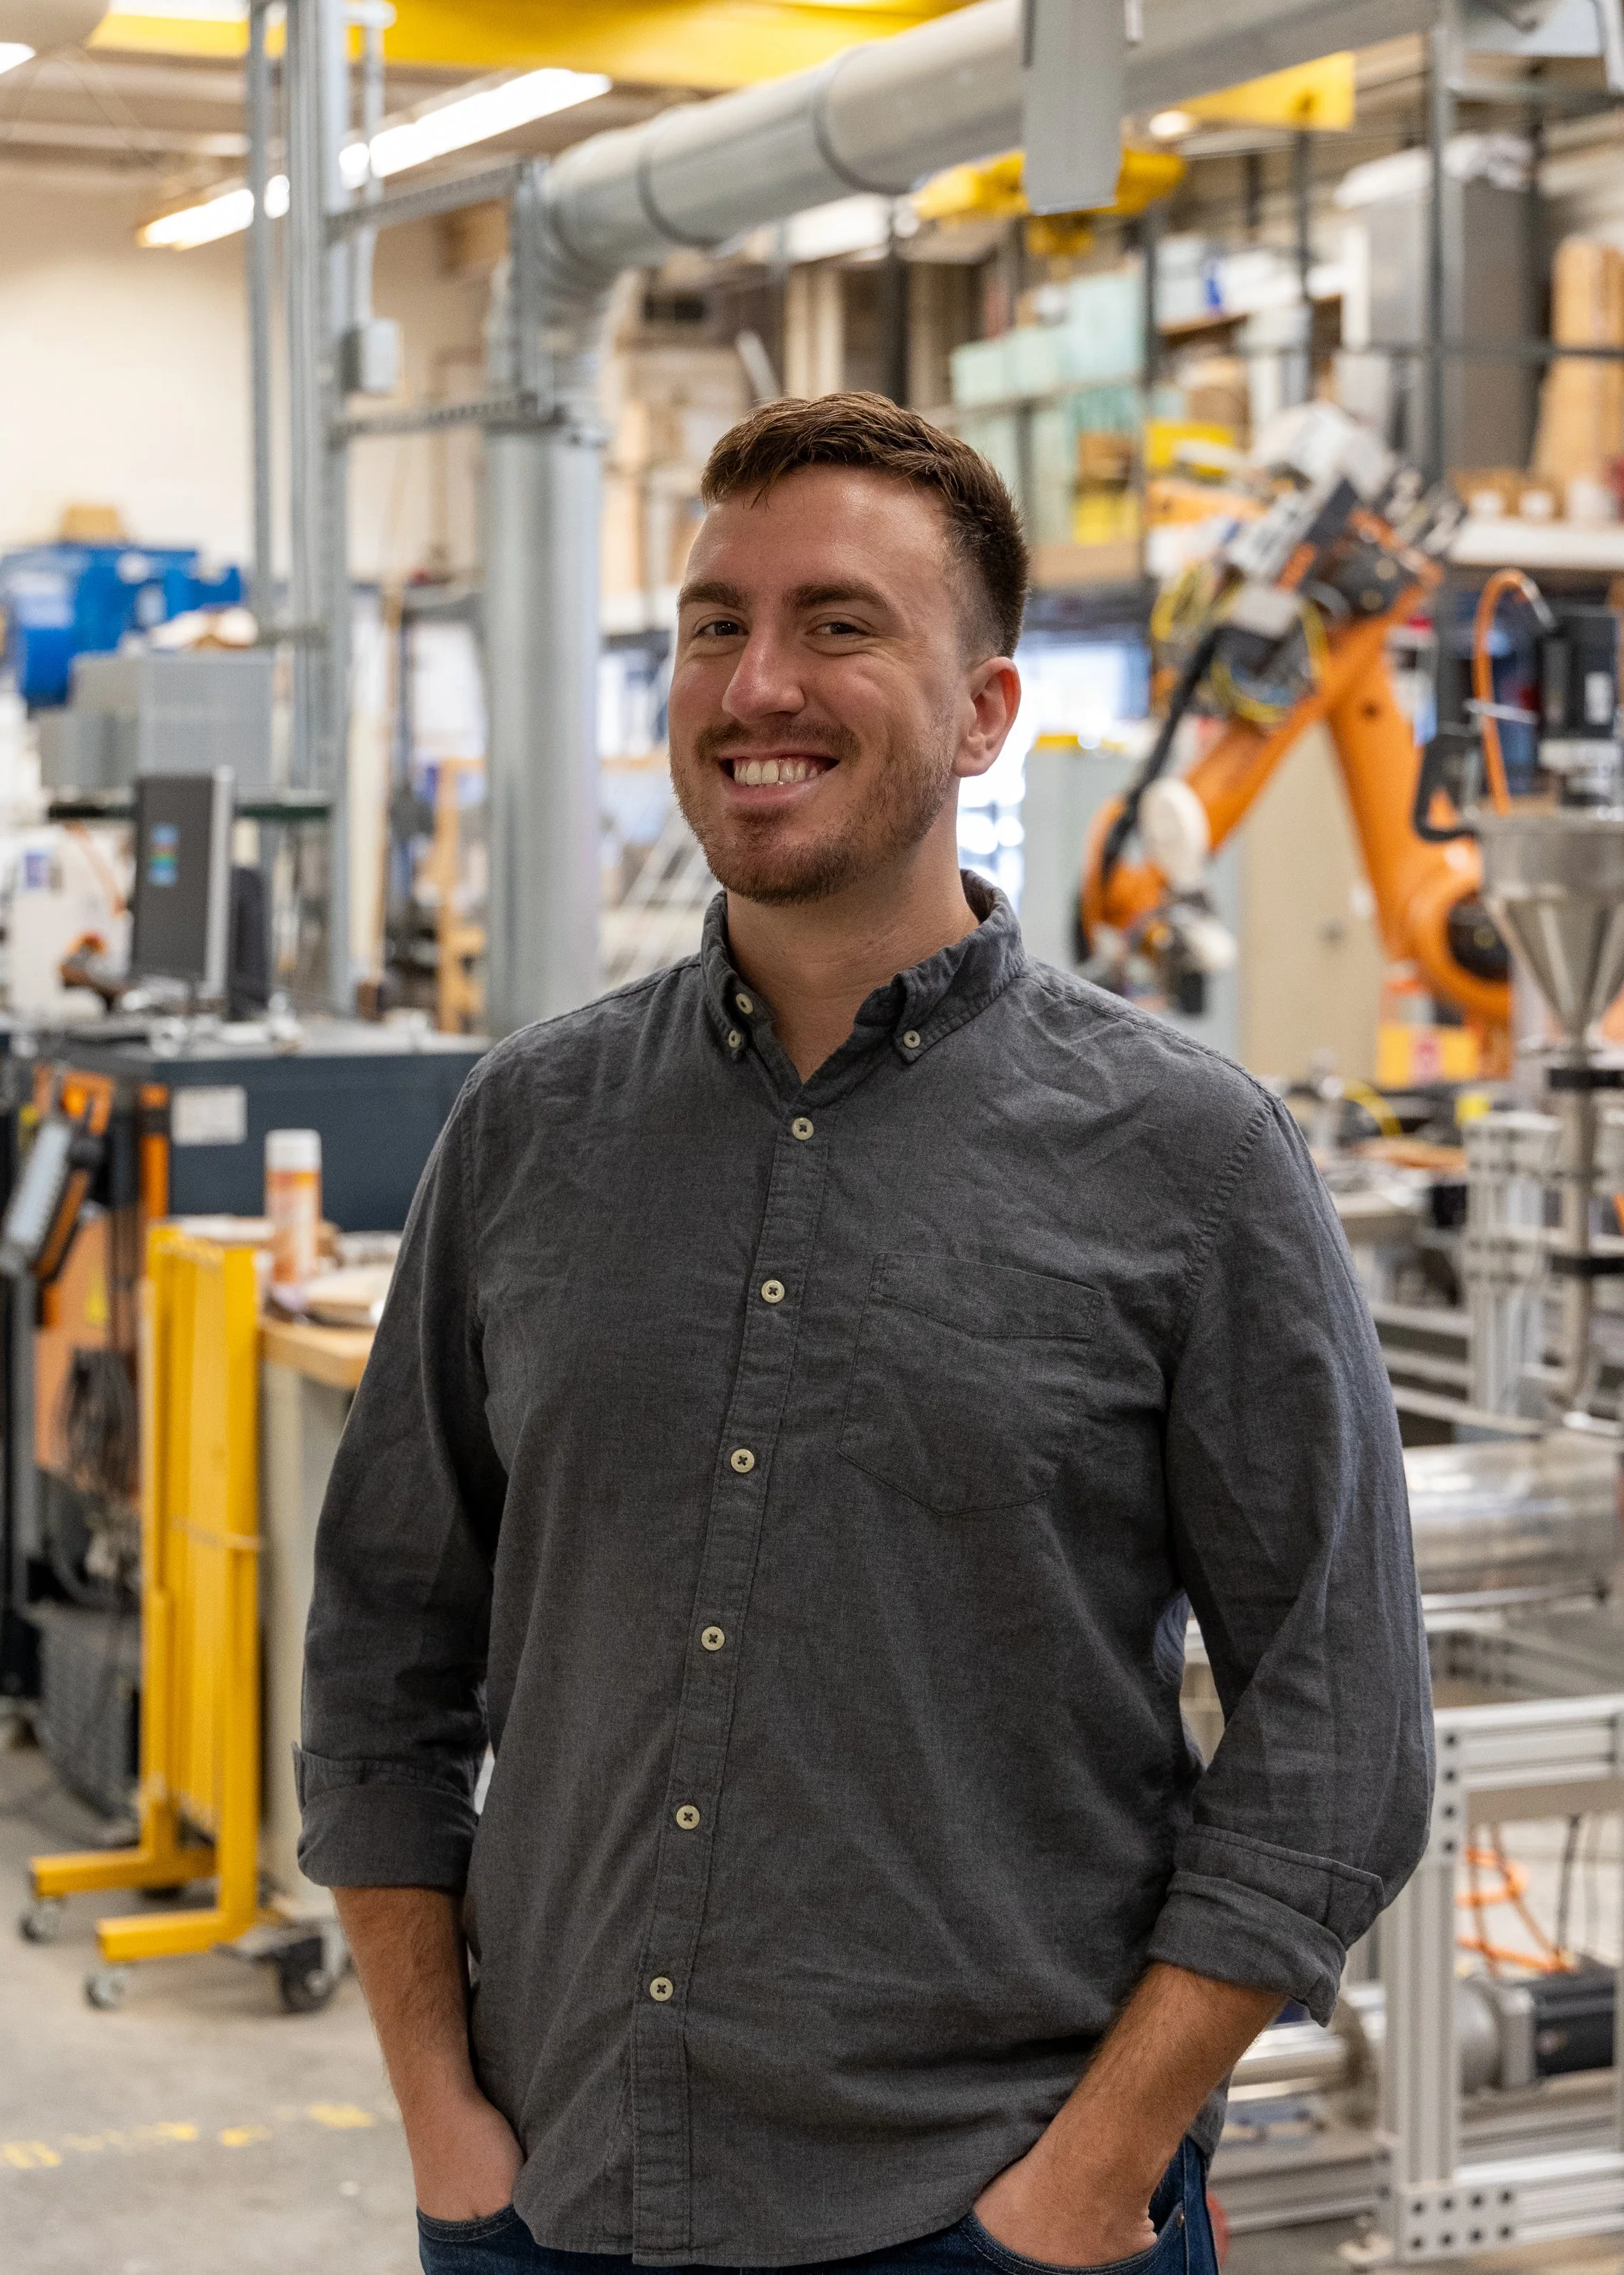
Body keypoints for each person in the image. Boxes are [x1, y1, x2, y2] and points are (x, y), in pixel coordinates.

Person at [297, 389, 1433, 2275]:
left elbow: (1339, 1726)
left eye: (837, 624)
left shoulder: (1184, 1155)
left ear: (987, 708)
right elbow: (377, 1650)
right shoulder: (529, 1128)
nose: (757, 683)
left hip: (983, 2213)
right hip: (558, 2196)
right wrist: (443, 2118)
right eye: (713, 625)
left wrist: (1092, 2167)